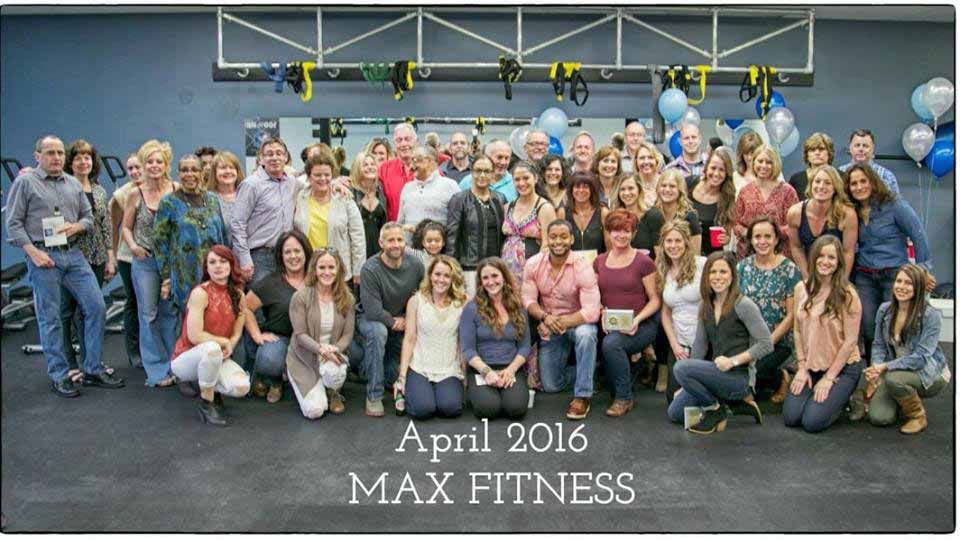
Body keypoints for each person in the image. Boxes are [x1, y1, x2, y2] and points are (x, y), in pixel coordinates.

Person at [5, 134, 123, 397]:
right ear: (37, 156)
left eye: (59, 153)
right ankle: (59, 374)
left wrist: (77, 226)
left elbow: (88, 217)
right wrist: (32, 252)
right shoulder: (25, 182)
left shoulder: (72, 183)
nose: (56, 157)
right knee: (51, 317)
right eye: (50, 153)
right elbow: (13, 225)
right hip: (43, 256)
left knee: (96, 307)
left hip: (73, 254)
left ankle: (92, 368)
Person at [667, 251, 772, 434]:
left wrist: (733, 361)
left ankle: (716, 409)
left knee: (680, 368)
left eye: (723, 272)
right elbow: (699, 349)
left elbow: (766, 343)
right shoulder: (705, 306)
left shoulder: (744, 305)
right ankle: (735, 405)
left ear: (732, 275)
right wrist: (687, 383)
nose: (717, 277)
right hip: (715, 375)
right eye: (712, 272)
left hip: (738, 378)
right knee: (675, 413)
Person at [845, 164, 934, 365]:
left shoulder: (895, 205)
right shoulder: (852, 211)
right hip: (865, 276)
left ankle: (894, 373)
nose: (859, 187)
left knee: (893, 326)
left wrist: (923, 270)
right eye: (853, 183)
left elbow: (918, 235)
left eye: (863, 181)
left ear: (873, 182)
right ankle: (873, 374)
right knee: (868, 326)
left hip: (894, 276)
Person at [522, 220, 602, 420]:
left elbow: (592, 311)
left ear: (572, 239)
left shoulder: (582, 265)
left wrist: (557, 322)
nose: (558, 241)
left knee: (587, 334)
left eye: (564, 237)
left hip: (577, 322)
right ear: (546, 239)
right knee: (551, 385)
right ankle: (594, 369)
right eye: (554, 237)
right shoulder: (533, 264)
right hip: (549, 323)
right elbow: (528, 299)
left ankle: (583, 395)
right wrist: (544, 317)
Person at [858, 264, 951, 434]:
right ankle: (901, 397)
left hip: (928, 373)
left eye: (908, 283)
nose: (901, 287)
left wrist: (885, 367)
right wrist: (876, 369)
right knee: (879, 417)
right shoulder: (884, 310)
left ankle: (917, 416)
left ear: (918, 288)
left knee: (894, 380)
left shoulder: (931, 316)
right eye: (899, 281)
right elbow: (878, 344)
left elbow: (921, 358)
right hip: (897, 370)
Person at [784, 236, 862, 433]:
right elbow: (797, 330)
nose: (825, 262)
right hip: (811, 365)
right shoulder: (801, 288)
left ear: (838, 263)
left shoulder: (848, 294)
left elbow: (851, 341)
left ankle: (843, 399)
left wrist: (829, 378)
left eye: (831, 258)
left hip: (842, 368)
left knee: (812, 422)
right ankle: (821, 393)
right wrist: (802, 367)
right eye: (821, 256)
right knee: (791, 417)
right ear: (813, 258)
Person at [170, 245, 251, 426]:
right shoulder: (200, 293)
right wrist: (223, 342)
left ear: (231, 265)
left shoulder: (239, 295)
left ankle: (213, 390)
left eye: (223, 261)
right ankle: (207, 403)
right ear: (206, 268)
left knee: (242, 387)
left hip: (216, 355)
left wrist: (230, 344)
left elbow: (237, 331)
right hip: (186, 358)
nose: (218, 266)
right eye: (212, 262)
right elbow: (194, 336)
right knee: (212, 349)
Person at [123, 139, 178, 387]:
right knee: (148, 314)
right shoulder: (135, 193)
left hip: (172, 262)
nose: (154, 165)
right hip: (145, 262)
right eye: (150, 161)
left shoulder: (176, 189)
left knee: (170, 313)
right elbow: (125, 227)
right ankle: (155, 370)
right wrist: (133, 246)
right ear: (143, 165)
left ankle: (172, 364)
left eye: (159, 161)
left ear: (166, 164)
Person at [355, 223, 425, 417]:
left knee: (396, 376)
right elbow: (372, 310)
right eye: (391, 240)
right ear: (381, 243)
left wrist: (407, 319)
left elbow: (424, 295)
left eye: (400, 239)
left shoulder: (416, 265)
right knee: (379, 332)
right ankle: (374, 395)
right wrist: (395, 322)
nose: (396, 244)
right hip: (372, 320)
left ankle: (368, 369)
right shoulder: (370, 269)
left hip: (401, 320)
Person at [595, 210, 660, 417]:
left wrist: (638, 319)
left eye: (626, 231)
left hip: (641, 325)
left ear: (633, 233)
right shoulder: (599, 261)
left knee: (612, 344)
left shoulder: (643, 262)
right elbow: (595, 294)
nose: (621, 236)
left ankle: (624, 398)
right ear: (608, 233)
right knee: (610, 377)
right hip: (610, 324)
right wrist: (600, 310)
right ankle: (638, 365)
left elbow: (655, 299)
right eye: (616, 231)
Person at [60, 139, 116, 381]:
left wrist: (110, 257)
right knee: (67, 311)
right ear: (69, 163)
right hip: (71, 257)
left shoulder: (100, 191)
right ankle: (68, 364)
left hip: (96, 257)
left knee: (89, 311)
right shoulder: (62, 189)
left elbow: (106, 227)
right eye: (78, 157)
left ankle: (89, 361)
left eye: (87, 157)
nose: (83, 161)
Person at [154, 154, 230, 315]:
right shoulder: (168, 203)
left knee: (216, 317)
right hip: (185, 276)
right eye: (185, 170)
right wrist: (166, 277)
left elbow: (222, 234)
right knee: (189, 324)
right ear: (178, 174)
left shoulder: (213, 199)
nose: (190, 174)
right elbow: (160, 243)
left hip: (214, 271)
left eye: (194, 170)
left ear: (202, 172)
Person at [737, 216, 802, 402]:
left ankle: (781, 378)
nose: (762, 241)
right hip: (746, 336)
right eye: (757, 236)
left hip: (778, 340)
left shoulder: (789, 270)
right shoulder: (742, 267)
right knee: (735, 369)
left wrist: (766, 343)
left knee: (754, 371)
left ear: (776, 239)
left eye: (767, 236)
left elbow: (791, 316)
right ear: (750, 240)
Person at [395, 255, 468, 419]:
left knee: (450, 408)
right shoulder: (416, 301)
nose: (441, 280)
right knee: (423, 409)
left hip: (449, 368)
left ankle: (439, 393)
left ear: (453, 279)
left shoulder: (462, 303)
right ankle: (410, 393)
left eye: (446, 276)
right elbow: (409, 339)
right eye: (437, 274)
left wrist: (464, 375)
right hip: (420, 366)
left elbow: (462, 341)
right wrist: (402, 377)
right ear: (430, 276)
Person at [286, 248, 355, 419]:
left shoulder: (347, 298)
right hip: (305, 358)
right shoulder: (300, 297)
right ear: (314, 270)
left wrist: (333, 350)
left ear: (338, 269)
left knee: (335, 373)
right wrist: (320, 349)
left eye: (331, 267)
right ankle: (310, 386)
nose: (327, 272)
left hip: (331, 354)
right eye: (322, 267)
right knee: (315, 411)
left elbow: (347, 335)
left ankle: (333, 391)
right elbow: (300, 335)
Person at [243, 231, 311, 404]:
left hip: (310, 340)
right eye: (287, 252)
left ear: (306, 252)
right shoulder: (271, 282)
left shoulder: (316, 280)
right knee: (268, 359)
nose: (293, 256)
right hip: (280, 338)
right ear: (280, 256)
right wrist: (257, 335)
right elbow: (245, 307)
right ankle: (275, 381)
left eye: (297, 251)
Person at [459, 257, 531, 419]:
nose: (490, 282)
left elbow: (525, 346)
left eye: (495, 276)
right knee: (488, 410)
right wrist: (487, 372)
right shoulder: (471, 309)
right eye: (485, 278)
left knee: (515, 409)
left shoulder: (518, 306)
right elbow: (468, 350)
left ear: (504, 277)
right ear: (480, 282)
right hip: (481, 368)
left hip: (510, 368)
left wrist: (511, 370)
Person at [230, 137, 300, 284]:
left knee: (281, 305)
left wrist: (336, 183)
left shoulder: (292, 183)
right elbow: (237, 223)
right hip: (259, 257)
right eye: (269, 154)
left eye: (279, 153)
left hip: (285, 256)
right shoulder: (251, 185)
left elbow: (316, 183)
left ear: (286, 157)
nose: (274, 157)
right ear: (261, 159)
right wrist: (244, 259)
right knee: (257, 305)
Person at [293, 153, 366, 284]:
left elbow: (358, 237)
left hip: (338, 271)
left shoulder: (345, 199)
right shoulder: (299, 198)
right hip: (308, 270)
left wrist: (358, 270)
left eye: (327, 175)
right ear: (309, 177)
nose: (323, 179)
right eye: (317, 175)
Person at [656, 220, 706, 404]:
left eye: (678, 241)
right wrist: (675, 345)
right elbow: (666, 313)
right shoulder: (663, 270)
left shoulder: (702, 265)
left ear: (686, 242)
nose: (673, 246)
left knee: (693, 399)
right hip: (680, 343)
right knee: (674, 401)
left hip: (703, 341)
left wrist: (700, 346)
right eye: (668, 241)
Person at [446, 157, 506, 298]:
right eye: (478, 171)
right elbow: (451, 236)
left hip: (496, 267)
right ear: (471, 173)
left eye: (487, 171)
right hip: (469, 268)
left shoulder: (500, 198)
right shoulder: (459, 199)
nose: (482, 175)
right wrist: (452, 268)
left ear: (492, 174)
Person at [785, 165, 858, 280]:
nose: (821, 186)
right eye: (817, 181)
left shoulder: (847, 215)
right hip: (809, 271)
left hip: (836, 274)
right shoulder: (795, 213)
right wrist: (807, 278)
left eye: (828, 183)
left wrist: (841, 282)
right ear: (811, 184)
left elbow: (848, 252)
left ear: (835, 188)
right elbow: (796, 247)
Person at [734, 144, 799, 259]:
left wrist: (769, 234)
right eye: (760, 161)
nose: (764, 165)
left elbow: (794, 225)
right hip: (748, 256)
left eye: (769, 162)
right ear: (754, 163)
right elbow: (736, 222)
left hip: (779, 255)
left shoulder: (788, 192)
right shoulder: (745, 191)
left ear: (775, 164)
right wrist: (747, 232)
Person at [109, 153, 143, 367]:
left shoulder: (161, 189)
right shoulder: (121, 195)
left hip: (153, 258)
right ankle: (134, 351)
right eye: (130, 168)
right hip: (128, 257)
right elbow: (113, 228)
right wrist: (111, 256)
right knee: (134, 302)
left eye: (137, 167)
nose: (134, 172)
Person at [501, 160, 557, 278]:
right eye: (517, 179)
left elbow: (548, 245)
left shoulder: (544, 207)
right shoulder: (508, 207)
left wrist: (538, 272)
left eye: (526, 178)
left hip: (533, 272)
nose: (521, 183)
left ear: (535, 178)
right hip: (507, 272)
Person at [397, 146, 460, 241]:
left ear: (432, 162)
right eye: (412, 160)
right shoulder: (407, 188)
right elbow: (400, 222)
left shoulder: (450, 186)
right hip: (410, 252)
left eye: (417, 160)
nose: (412, 165)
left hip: (439, 251)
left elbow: (458, 223)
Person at [689, 148, 736, 256]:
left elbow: (728, 233)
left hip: (711, 257)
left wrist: (726, 239)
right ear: (706, 168)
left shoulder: (728, 198)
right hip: (684, 254)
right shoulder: (689, 183)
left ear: (727, 173)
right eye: (713, 168)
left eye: (721, 170)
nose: (716, 173)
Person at [646, 169, 703, 255]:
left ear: (680, 190)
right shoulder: (651, 214)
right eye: (663, 185)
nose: (667, 190)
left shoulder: (690, 216)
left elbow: (695, 254)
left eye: (672, 186)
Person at [557, 172, 609, 255]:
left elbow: (609, 247)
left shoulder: (603, 212)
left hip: (597, 264)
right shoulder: (562, 212)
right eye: (577, 187)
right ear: (571, 190)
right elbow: (559, 244)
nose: (581, 190)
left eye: (585, 187)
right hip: (570, 264)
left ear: (592, 190)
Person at [349, 151, 388, 260]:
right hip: (357, 252)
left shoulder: (381, 189)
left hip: (380, 252)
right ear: (358, 168)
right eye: (365, 165)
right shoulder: (350, 191)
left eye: (372, 164)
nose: (370, 167)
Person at [611, 174, 663, 257]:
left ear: (639, 190)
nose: (626, 193)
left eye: (631, 188)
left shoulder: (653, 216)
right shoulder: (615, 218)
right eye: (622, 189)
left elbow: (660, 255)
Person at [837, 128, 901, 195]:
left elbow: (896, 203)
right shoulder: (839, 172)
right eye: (857, 145)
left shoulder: (886, 175)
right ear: (850, 148)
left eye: (865, 146)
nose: (861, 149)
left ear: (872, 149)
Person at [207, 151, 244, 244]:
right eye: (223, 168)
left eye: (232, 167)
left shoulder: (246, 195)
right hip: (221, 255)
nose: (228, 171)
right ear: (214, 172)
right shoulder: (208, 199)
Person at [787, 132, 834, 202]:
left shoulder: (841, 177)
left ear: (829, 153)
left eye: (821, 149)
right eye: (812, 150)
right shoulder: (796, 179)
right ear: (807, 155)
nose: (817, 153)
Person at [633, 142, 664, 208]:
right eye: (642, 158)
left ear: (657, 160)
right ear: (636, 161)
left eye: (650, 157)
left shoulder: (665, 181)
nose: (646, 162)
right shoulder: (631, 183)